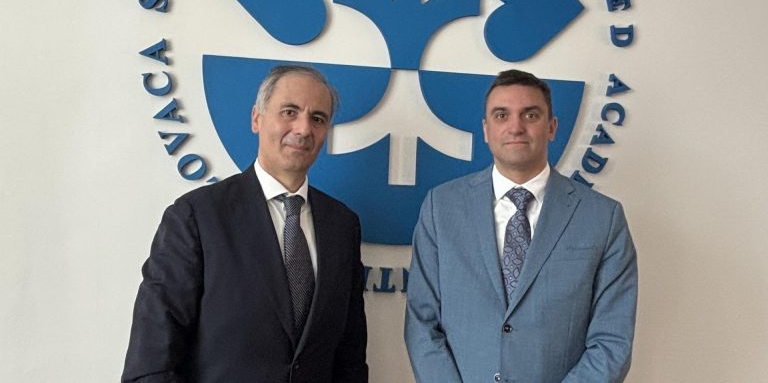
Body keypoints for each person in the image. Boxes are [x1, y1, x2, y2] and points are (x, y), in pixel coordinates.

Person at [123, 65, 368, 382]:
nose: (303, 128)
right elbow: (152, 361)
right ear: (257, 118)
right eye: (289, 112)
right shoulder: (197, 217)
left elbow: (350, 356)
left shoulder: (342, 226)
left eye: (318, 118)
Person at [405, 69, 637, 383]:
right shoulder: (441, 208)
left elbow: (612, 342)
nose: (515, 127)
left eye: (530, 114)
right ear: (486, 130)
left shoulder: (603, 218)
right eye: (502, 115)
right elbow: (421, 324)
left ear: (552, 127)